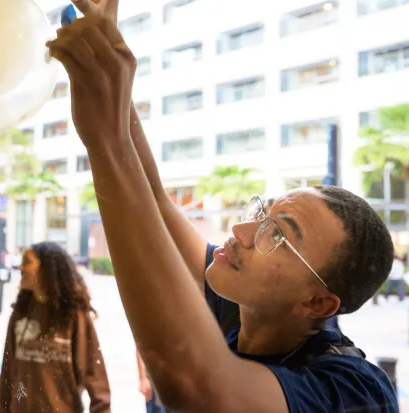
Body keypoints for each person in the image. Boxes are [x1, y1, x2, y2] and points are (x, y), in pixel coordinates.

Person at [47, 3, 398, 412]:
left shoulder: (354, 391)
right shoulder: (250, 309)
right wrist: (108, 53)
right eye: (261, 214)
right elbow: (157, 203)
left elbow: (196, 384)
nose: (241, 232)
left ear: (317, 304)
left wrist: (106, 142)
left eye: (278, 235)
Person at [0, 242, 110, 413]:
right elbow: (8, 372)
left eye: (27, 262)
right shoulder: (20, 312)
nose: (20, 267)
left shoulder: (74, 315)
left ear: (47, 269)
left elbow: (96, 378)